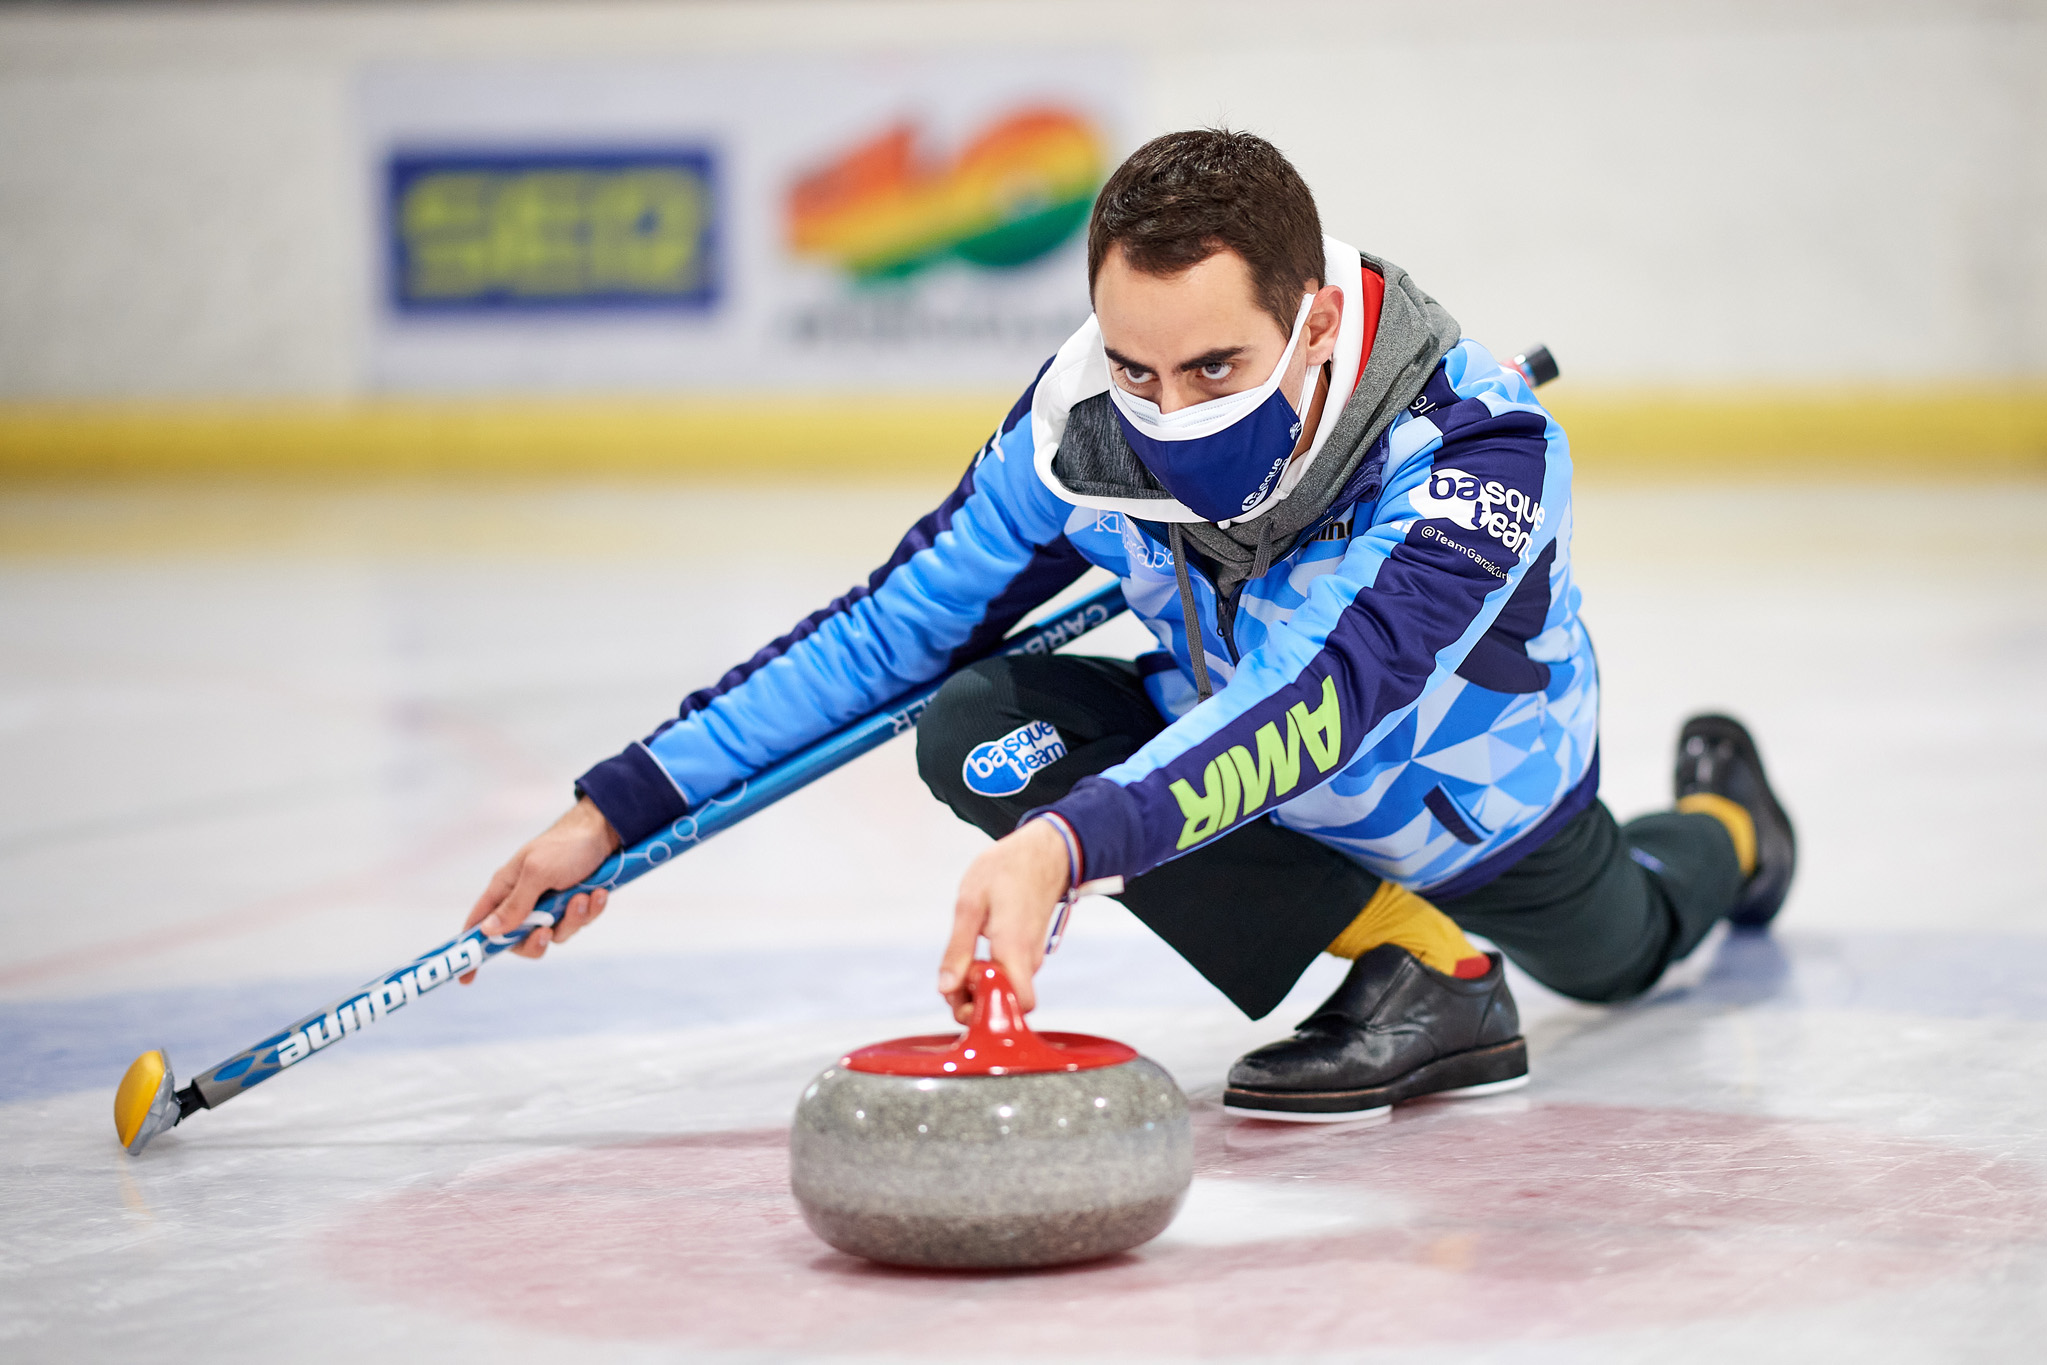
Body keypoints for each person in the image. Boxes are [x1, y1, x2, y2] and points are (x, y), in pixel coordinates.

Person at [459, 129, 1796, 1123]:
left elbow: (1321, 697)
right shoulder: (1077, 434)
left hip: (1481, 813)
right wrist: (618, 807)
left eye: (1216, 367)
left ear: (1315, 322)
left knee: (1628, 949)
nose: (1169, 414)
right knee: (980, 727)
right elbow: (886, 640)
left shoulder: (1477, 451)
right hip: (1215, 781)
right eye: (1136, 366)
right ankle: (1417, 963)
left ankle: (1735, 830)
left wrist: (1068, 842)